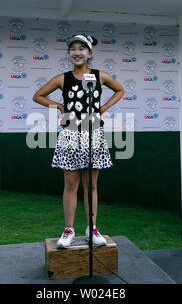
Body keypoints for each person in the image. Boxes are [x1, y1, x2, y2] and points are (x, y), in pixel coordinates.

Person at [32, 34, 124, 248]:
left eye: (82, 48)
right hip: (71, 133)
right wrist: (61, 107)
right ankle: (69, 229)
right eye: (73, 48)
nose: (77, 52)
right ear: (69, 54)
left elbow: (120, 90)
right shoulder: (62, 78)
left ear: (90, 53)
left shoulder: (99, 76)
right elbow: (38, 96)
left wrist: (104, 108)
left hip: (93, 133)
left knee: (91, 185)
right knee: (71, 184)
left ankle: (92, 229)